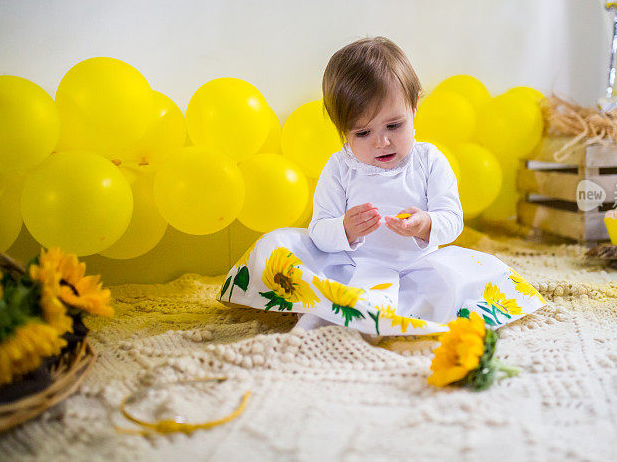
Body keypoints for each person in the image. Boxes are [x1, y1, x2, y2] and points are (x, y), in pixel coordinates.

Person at [218, 37, 545, 336]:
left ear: (415, 105)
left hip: (416, 265)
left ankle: (392, 310)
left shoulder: (429, 161)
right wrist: (345, 229)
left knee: (458, 287)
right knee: (278, 244)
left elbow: (452, 217)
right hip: (351, 263)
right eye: (362, 133)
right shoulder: (341, 167)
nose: (382, 141)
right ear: (342, 130)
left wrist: (426, 224)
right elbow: (319, 227)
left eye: (394, 125)